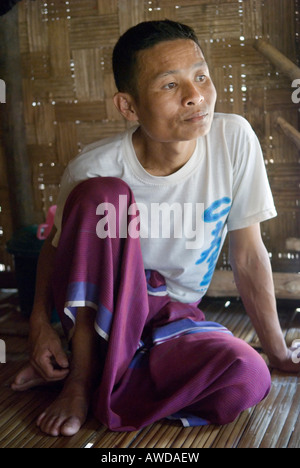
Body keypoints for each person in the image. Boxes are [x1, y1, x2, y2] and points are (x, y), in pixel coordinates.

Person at [12, 20, 300, 437]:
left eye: (200, 76)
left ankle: (100, 376)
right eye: (169, 85)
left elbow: (248, 253)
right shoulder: (94, 170)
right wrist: (40, 326)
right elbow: (55, 254)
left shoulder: (233, 139)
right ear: (128, 107)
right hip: (102, 316)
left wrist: (276, 352)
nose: (195, 96)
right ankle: (78, 380)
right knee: (103, 195)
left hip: (173, 321)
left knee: (248, 376)